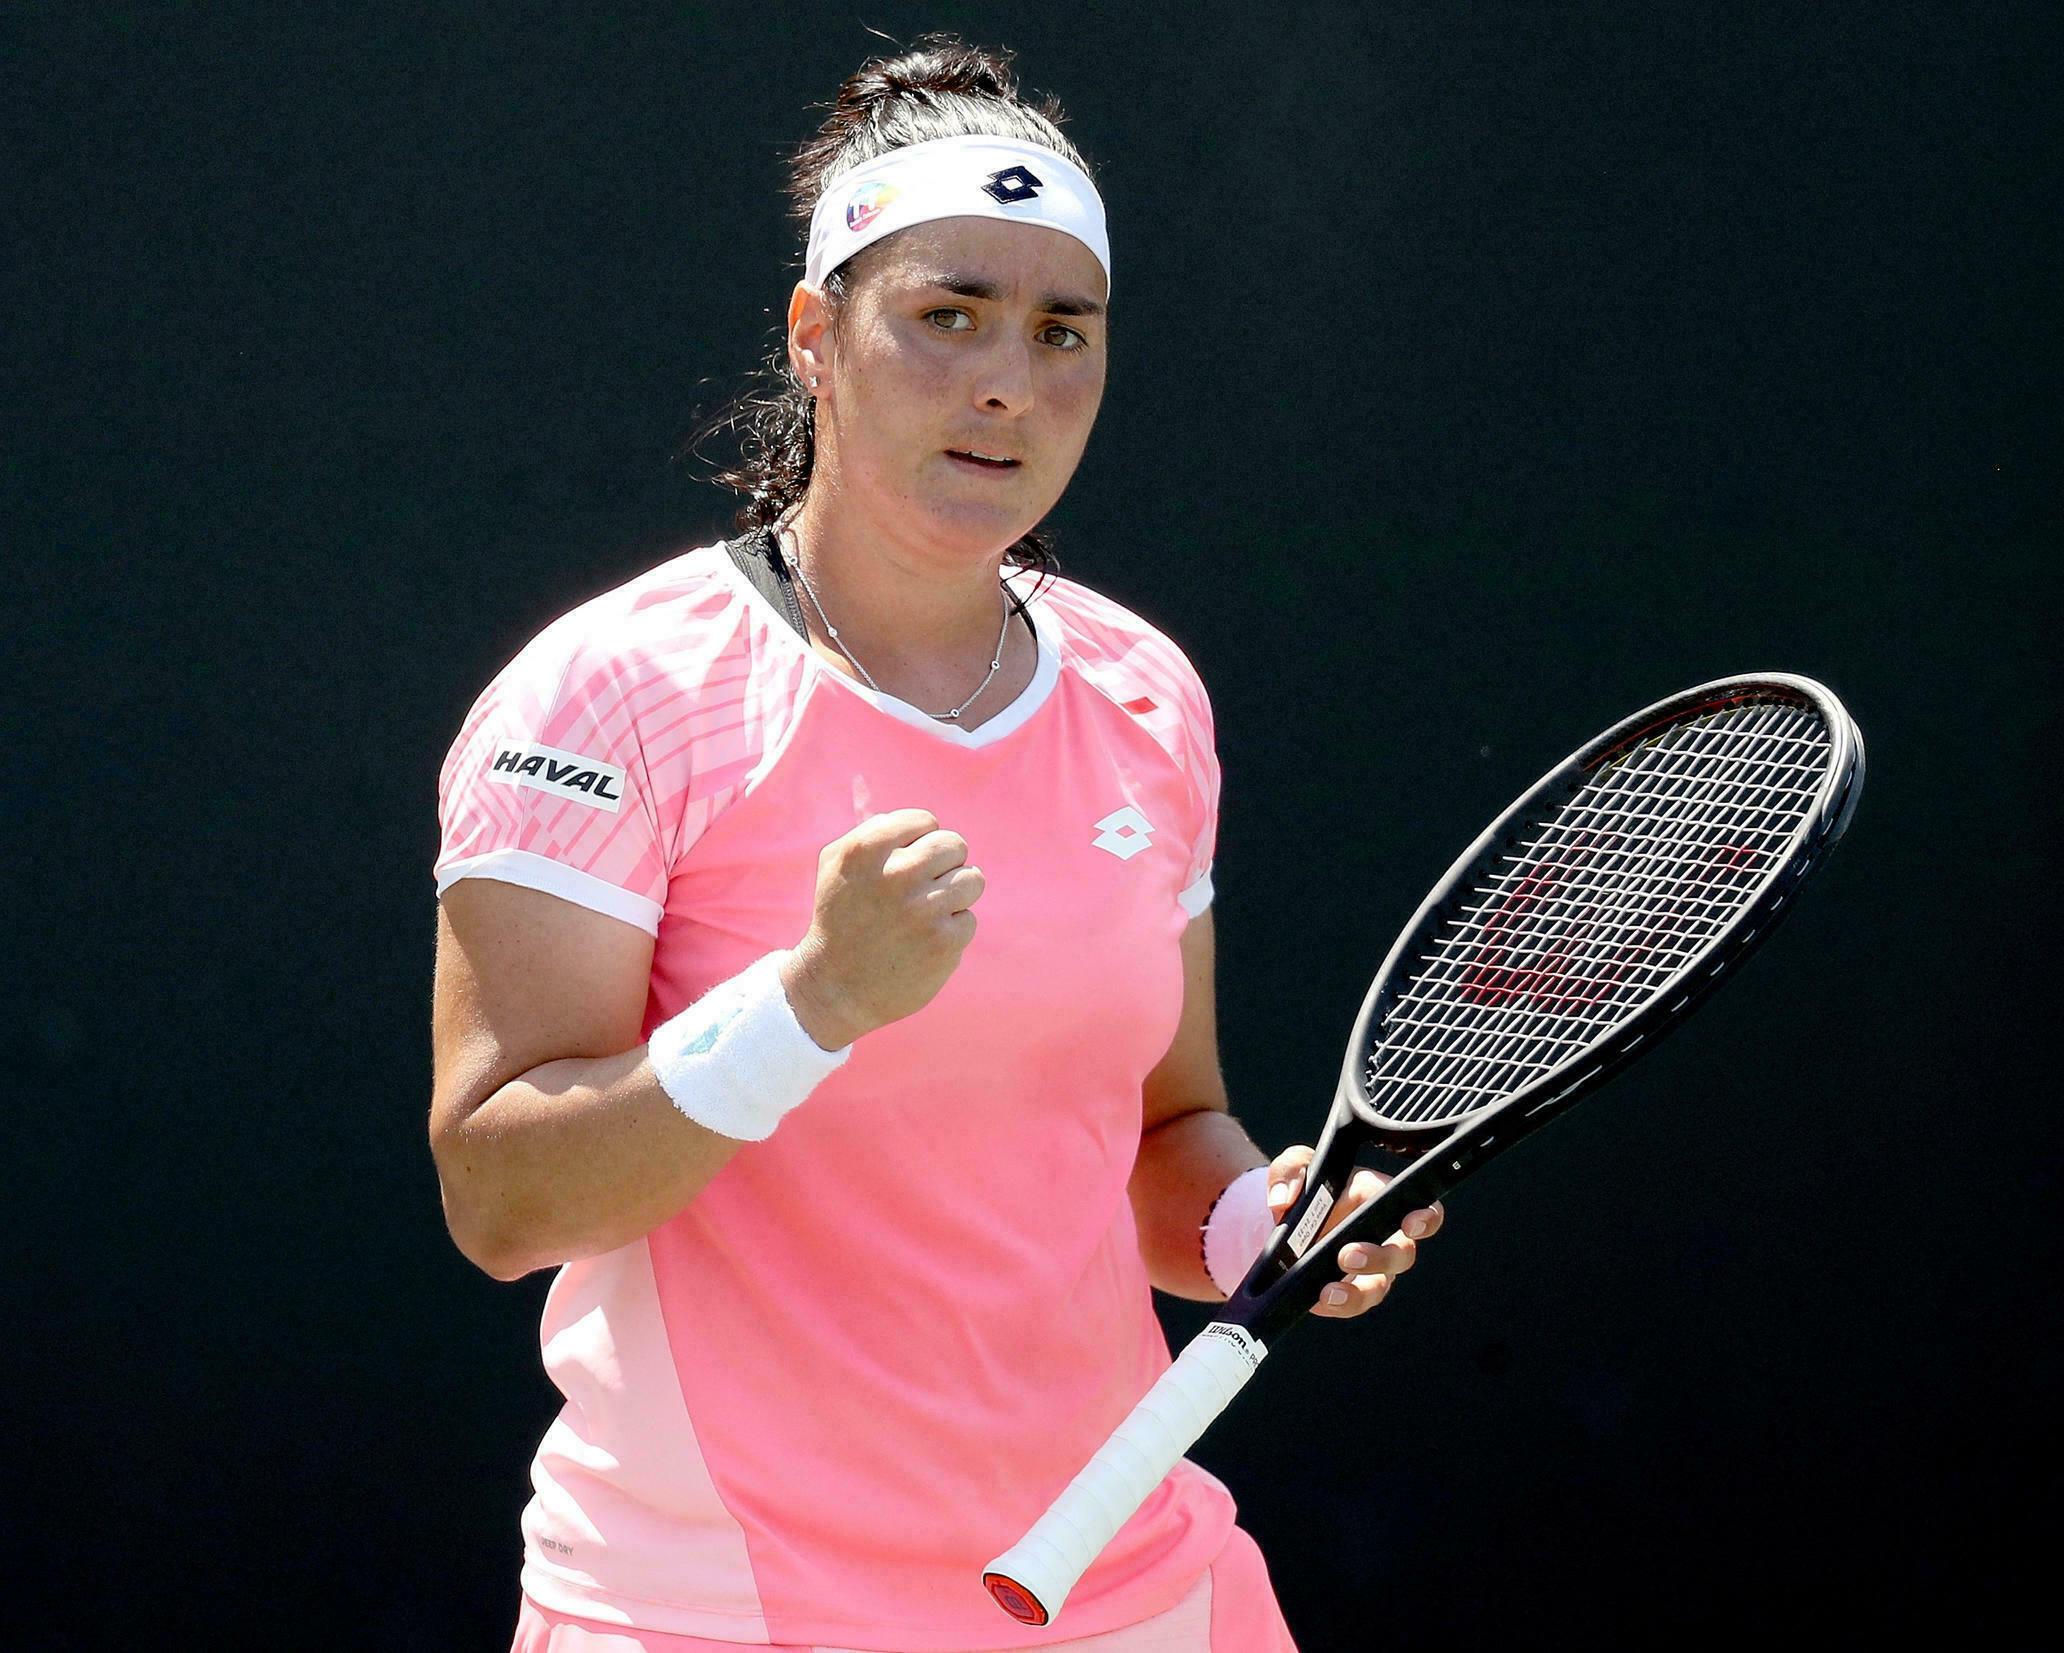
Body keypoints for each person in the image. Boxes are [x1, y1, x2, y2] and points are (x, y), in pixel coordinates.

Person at [428, 37, 1445, 1653]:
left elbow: (1162, 1131)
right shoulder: (609, 693)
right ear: (814, 337)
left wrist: (1264, 1228)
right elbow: (501, 1196)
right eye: (949, 314)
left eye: (1062, 332)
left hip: (1126, 1580)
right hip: (724, 1611)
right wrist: (811, 1004)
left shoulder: (1146, 693)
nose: (1008, 384)